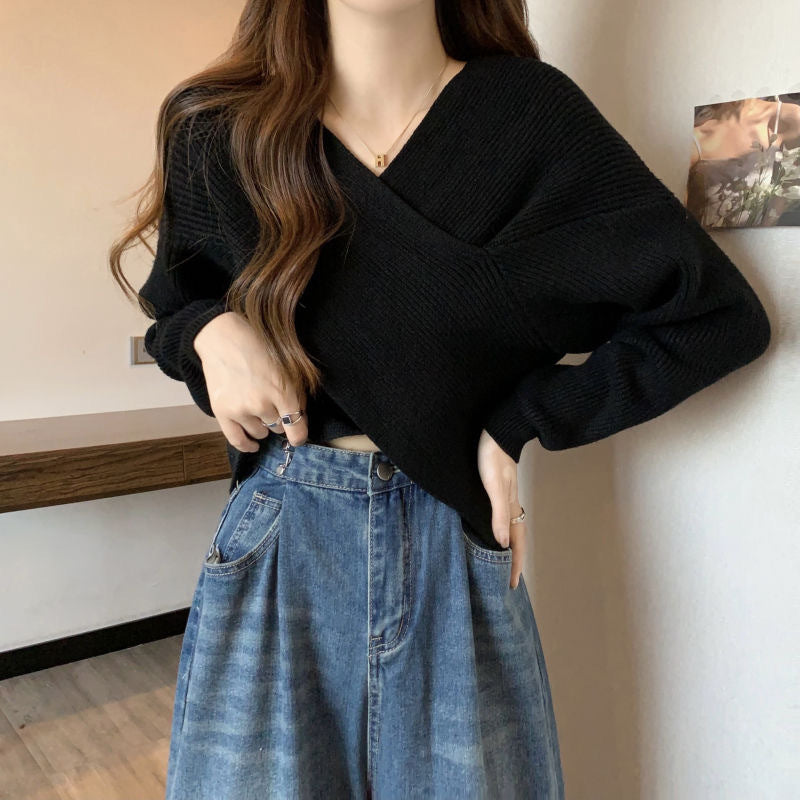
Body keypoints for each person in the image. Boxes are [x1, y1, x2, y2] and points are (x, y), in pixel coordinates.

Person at [109, 2, 772, 798]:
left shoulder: (528, 116)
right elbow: (175, 303)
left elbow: (715, 317)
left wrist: (523, 420)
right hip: (284, 532)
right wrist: (208, 333)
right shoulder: (219, 130)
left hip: (451, 540)